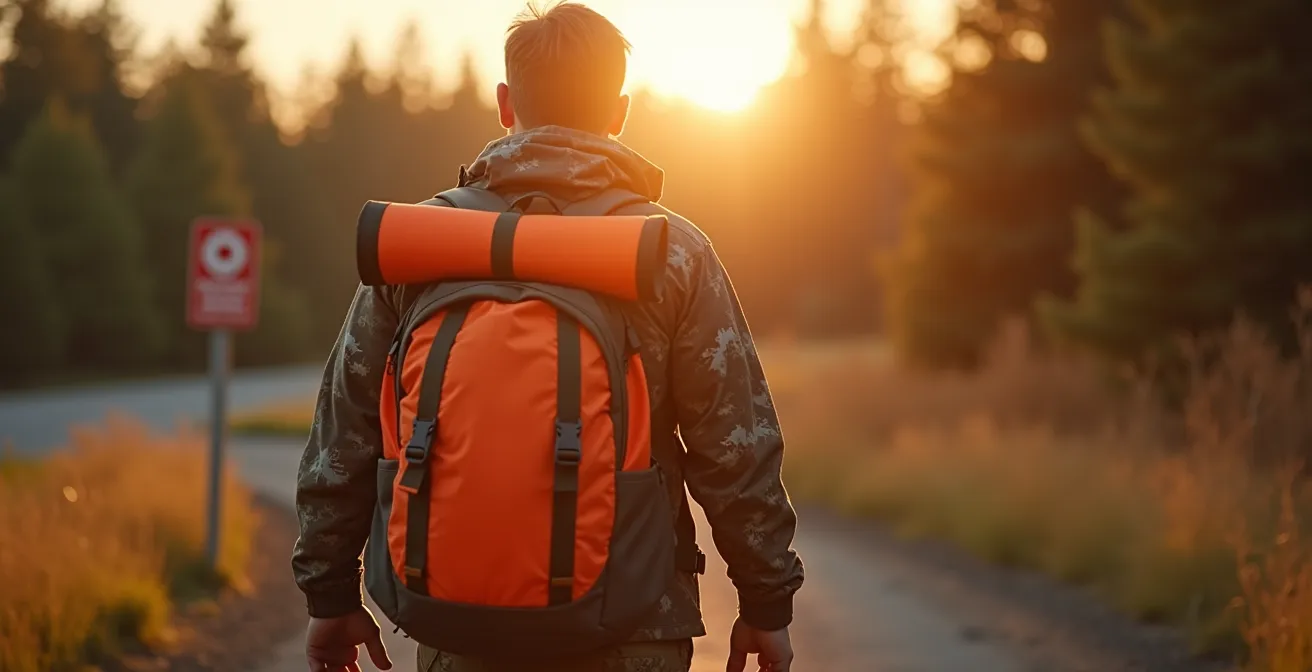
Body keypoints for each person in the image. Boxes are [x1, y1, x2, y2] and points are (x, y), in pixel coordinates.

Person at [291, 3, 803, 671]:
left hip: (459, 622)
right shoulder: (670, 252)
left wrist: (328, 595)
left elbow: (345, 434)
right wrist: (766, 605)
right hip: (633, 624)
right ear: (618, 113)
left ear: (506, 104)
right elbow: (733, 444)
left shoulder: (417, 246)